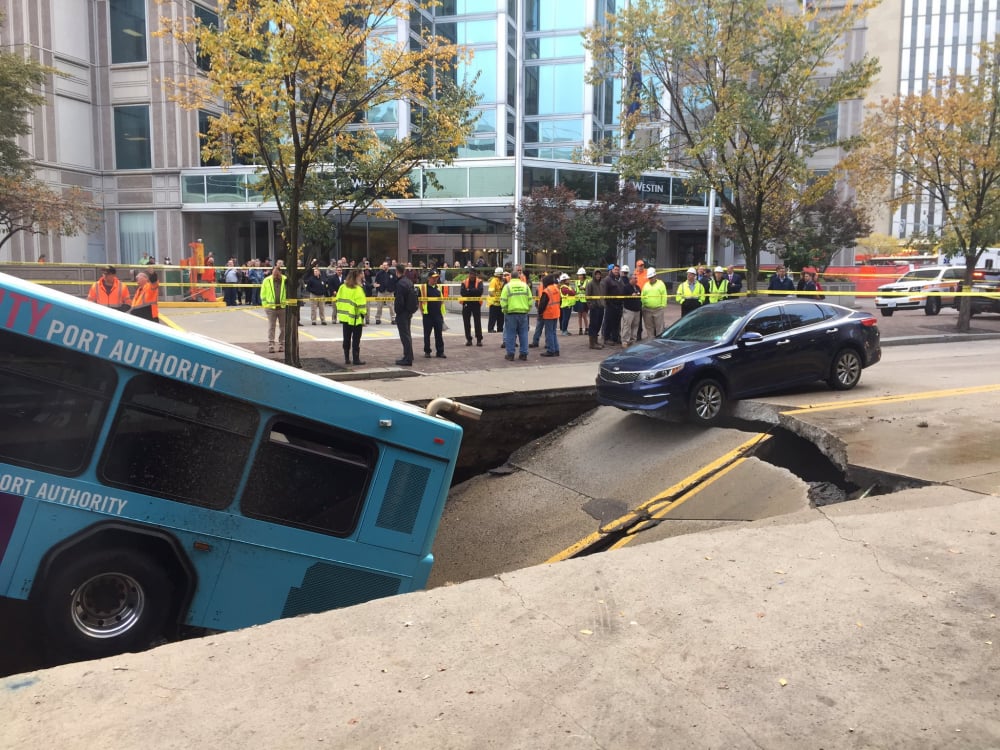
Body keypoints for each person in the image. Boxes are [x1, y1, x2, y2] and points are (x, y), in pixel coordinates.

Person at [335, 269, 367, 365]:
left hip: (345, 317)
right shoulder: (358, 289)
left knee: (346, 338)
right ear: (358, 276)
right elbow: (361, 305)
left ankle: (346, 358)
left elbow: (338, 300)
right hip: (356, 318)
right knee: (356, 339)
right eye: (361, 275)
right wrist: (363, 314)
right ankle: (356, 359)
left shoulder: (342, 287)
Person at [500, 268, 533, 361]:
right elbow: (530, 300)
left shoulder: (507, 287)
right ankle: (523, 354)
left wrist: (505, 310)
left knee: (510, 334)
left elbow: (503, 301)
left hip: (511, 314)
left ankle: (510, 354)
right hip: (523, 313)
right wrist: (527, 309)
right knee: (523, 334)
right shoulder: (525, 286)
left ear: (510, 277)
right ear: (519, 277)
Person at [393, 264, 419, 366]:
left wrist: (398, 311)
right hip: (408, 311)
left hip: (402, 312)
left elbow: (399, 300)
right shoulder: (408, 281)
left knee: (405, 336)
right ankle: (409, 355)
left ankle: (407, 358)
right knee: (408, 335)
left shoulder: (400, 284)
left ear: (397, 271)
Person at [260, 263, 287, 354]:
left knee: (283, 327)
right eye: (274, 271)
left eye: (277, 271)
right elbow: (263, 294)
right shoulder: (266, 280)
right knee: (271, 327)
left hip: (282, 307)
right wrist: (265, 305)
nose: (275, 273)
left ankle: (281, 344)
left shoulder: (285, 280)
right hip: (270, 308)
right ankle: (271, 345)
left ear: (280, 272)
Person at [419, 270, 446, 358]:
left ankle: (440, 352)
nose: (435, 279)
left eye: (436, 278)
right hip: (428, 315)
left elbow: (441, 300)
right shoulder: (423, 288)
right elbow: (420, 301)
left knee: (439, 334)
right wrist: (422, 312)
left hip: (438, 314)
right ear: (429, 278)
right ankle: (427, 351)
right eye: (433, 278)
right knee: (427, 334)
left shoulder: (438, 287)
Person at [537, 274, 561, 357]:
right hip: (556, 313)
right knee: (553, 332)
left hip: (548, 314)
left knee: (549, 333)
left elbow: (542, 304)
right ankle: (556, 349)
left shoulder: (547, 291)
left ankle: (551, 350)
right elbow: (559, 301)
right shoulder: (556, 289)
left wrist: (540, 313)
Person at [601, 264, 625, 345]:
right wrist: (607, 303)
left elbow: (623, 289)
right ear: (612, 270)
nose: (617, 271)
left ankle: (615, 337)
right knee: (608, 322)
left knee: (617, 322)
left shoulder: (619, 280)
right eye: (615, 269)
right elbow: (603, 293)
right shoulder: (607, 280)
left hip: (619, 305)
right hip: (610, 304)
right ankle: (606, 338)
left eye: (618, 270)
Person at [640, 267, 668, 337]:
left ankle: (659, 342)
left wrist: (662, 305)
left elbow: (664, 295)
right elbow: (642, 295)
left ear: (655, 276)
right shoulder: (646, 285)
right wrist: (643, 305)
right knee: (649, 328)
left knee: (659, 328)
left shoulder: (661, 284)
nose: (650, 279)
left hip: (658, 309)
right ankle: (651, 341)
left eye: (652, 277)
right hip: (647, 309)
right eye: (649, 278)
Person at [460, 268, 484, 346]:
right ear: (469, 274)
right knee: (466, 322)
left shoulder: (479, 282)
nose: (472, 276)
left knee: (477, 322)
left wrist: (469, 290)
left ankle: (479, 340)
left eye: (473, 274)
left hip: (476, 304)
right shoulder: (464, 282)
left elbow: (480, 292)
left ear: (475, 275)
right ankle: (468, 339)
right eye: (470, 274)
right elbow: (463, 293)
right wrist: (473, 291)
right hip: (466, 304)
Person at [620, 272, 642, 347]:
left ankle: (633, 341)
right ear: (630, 279)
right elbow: (622, 297)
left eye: (636, 278)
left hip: (637, 311)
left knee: (635, 326)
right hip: (628, 310)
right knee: (627, 326)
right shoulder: (626, 287)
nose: (636, 280)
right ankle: (625, 341)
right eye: (634, 278)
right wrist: (630, 295)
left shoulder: (638, 287)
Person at [585, 268, 605, 350]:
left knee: (598, 324)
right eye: (596, 274)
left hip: (601, 307)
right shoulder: (590, 284)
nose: (598, 275)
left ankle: (595, 341)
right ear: (594, 275)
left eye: (599, 274)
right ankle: (592, 343)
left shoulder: (601, 284)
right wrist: (591, 305)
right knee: (593, 324)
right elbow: (587, 296)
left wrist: (604, 304)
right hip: (594, 307)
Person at [487, 267, 505, 333]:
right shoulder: (494, 281)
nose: (502, 276)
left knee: (501, 318)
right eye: (501, 275)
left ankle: (500, 329)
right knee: (492, 318)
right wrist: (497, 297)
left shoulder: (500, 281)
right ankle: (490, 329)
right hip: (494, 303)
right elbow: (491, 292)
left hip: (500, 303)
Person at [574, 268, 589, 335]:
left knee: (584, 316)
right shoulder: (576, 282)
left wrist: (583, 288)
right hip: (578, 300)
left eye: (581, 275)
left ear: (583, 275)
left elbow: (586, 289)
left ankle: (586, 329)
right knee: (579, 316)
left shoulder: (587, 281)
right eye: (579, 275)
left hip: (584, 301)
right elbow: (576, 290)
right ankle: (580, 329)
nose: (579, 276)